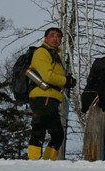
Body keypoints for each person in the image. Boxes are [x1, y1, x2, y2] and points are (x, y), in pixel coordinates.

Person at [26, 27, 75, 161]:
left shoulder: (54, 55)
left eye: (58, 36)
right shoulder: (42, 52)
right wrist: (66, 81)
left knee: (58, 134)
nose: (55, 38)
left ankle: (48, 163)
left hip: (51, 97)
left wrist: (66, 81)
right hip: (42, 96)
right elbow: (47, 76)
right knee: (39, 128)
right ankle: (33, 161)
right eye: (52, 35)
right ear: (45, 38)